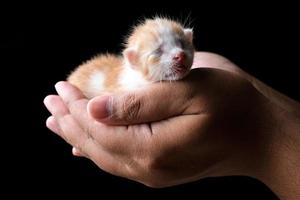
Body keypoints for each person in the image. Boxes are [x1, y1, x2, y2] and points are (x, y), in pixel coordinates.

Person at [44, 52, 300, 200]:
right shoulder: (128, 78)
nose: (177, 57)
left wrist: (264, 134)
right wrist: (252, 98)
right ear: (132, 59)